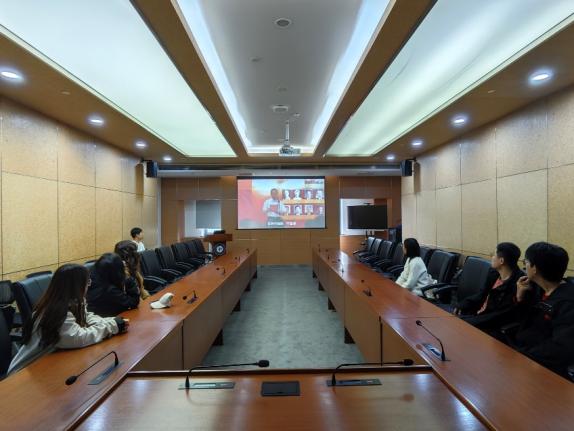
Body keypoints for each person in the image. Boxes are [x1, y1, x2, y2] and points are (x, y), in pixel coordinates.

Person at [8, 264, 128, 375]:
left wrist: (111, 321)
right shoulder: (56, 311)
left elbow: (86, 316)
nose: (88, 286)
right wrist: (112, 326)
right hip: (22, 373)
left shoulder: (72, 301)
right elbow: (79, 337)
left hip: (49, 365)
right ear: (76, 286)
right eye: (87, 283)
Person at [505, 242, 574, 379]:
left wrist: (521, 355)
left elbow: (560, 348)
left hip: (543, 365)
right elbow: (519, 319)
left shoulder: (568, 302)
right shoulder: (535, 287)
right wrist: (519, 297)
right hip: (521, 347)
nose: (524, 266)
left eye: (526, 262)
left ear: (534, 269)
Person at [456, 243, 523, 333]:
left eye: (494, 254)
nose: (491, 257)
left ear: (501, 261)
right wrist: (462, 305)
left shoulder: (518, 283)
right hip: (477, 315)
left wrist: (470, 321)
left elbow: (500, 315)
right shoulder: (493, 273)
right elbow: (481, 294)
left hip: (490, 325)